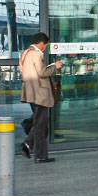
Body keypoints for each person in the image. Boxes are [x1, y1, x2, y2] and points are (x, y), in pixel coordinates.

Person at [19, 32, 62, 163]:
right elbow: (42, 73)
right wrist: (55, 67)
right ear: (42, 43)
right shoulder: (36, 54)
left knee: (40, 122)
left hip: (31, 92)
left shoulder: (25, 53)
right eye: (46, 45)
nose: (45, 48)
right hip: (40, 93)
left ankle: (27, 145)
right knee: (40, 124)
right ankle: (40, 156)